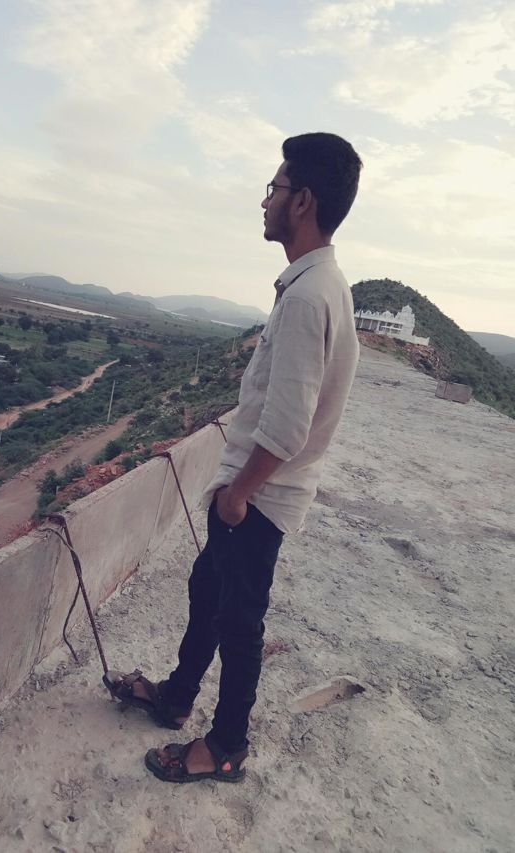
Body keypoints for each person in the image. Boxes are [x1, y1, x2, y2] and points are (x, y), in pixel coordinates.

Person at [107, 132, 363, 783]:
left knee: (240, 622)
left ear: (302, 201)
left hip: (260, 497)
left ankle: (225, 747)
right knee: (208, 593)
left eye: (275, 188)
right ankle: (175, 697)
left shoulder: (307, 296)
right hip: (261, 490)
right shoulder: (322, 284)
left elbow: (288, 423)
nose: (266, 200)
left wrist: (238, 493)